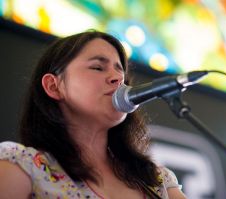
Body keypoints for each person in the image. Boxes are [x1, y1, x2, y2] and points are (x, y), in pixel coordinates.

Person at [0, 31, 186, 199]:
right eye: (98, 67)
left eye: (119, 71)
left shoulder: (157, 180)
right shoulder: (23, 166)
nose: (117, 79)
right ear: (53, 86)